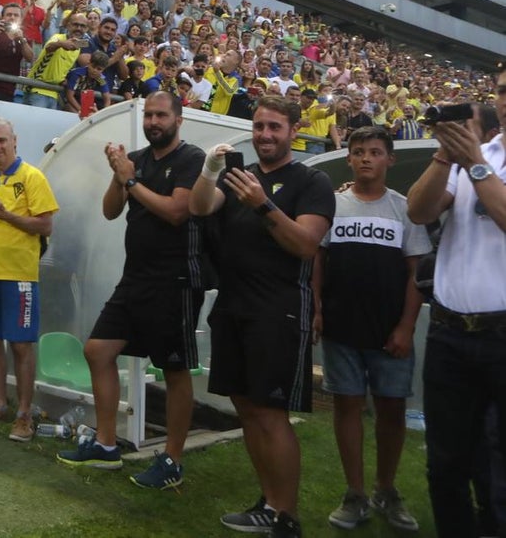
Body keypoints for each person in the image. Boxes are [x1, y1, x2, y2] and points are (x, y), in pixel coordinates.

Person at [189, 96, 335, 538]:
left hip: (278, 310)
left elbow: (307, 245)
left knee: (271, 412)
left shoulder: (312, 181)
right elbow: (198, 208)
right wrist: (211, 169)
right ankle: (267, 502)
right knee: (246, 409)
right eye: (258, 127)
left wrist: (262, 205)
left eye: (275, 127)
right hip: (233, 305)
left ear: (294, 130)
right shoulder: (240, 176)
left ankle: (286, 516)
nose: (265, 135)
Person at [58, 92, 207, 486]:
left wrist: (130, 178)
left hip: (176, 280)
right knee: (97, 350)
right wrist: (118, 173)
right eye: (149, 115)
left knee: (174, 368)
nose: (154, 121)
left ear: (179, 119)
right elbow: (110, 211)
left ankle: (172, 460)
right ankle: (107, 445)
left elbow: (177, 212)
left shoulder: (192, 159)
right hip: (136, 278)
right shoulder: (136, 160)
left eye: (161, 115)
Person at [313, 126, 431, 531]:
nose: (366, 158)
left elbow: (416, 273)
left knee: (391, 409)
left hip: (389, 333)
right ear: (349, 158)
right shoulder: (331, 205)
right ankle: (355, 493)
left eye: (375, 152)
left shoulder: (405, 209)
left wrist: (405, 326)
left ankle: (386, 489)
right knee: (346, 406)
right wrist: (316, 308)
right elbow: (317, 261)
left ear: (389, 159)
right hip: (341, 328)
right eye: (359, 151)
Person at [406, 64, 506, 538]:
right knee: (444, 463)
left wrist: (476, 166)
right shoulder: (475, 152)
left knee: (500, 469)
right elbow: (419, 210)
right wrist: (446, 156)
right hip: (450, 331)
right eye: (503, 92)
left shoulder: (480, 160)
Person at [0, 118, 59, 442]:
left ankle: (23, 414)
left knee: (21, 345)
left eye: (0, 141)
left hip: (19, 276)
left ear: (14, 141)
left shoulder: (32, 177)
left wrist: (7, 215)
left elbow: (45, 226)